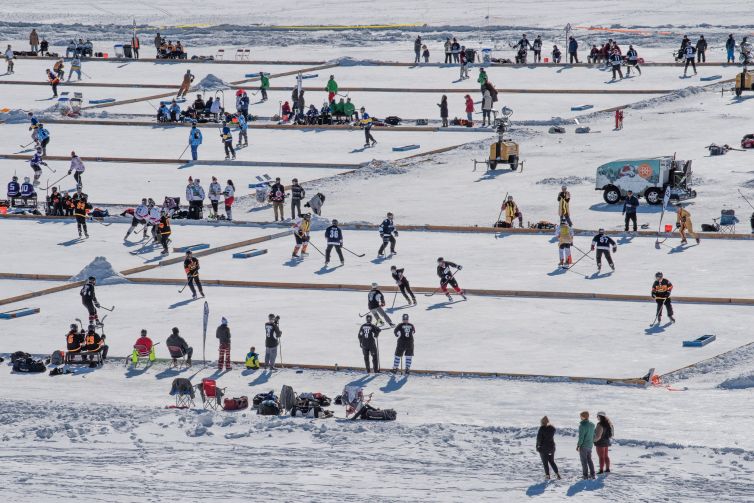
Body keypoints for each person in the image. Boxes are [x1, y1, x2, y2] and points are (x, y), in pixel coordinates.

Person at [577, 411, 596, 480]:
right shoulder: (592, 425)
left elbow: (581, 437)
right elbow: (593, 435)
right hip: (590, 445)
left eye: (581, 416)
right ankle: (593, 474)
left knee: (584, 461)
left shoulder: (582, 426)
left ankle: (585, 476)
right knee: (589, 460)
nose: (580, 417)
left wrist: (578, 445)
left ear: (584, 417)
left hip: (584, 446)